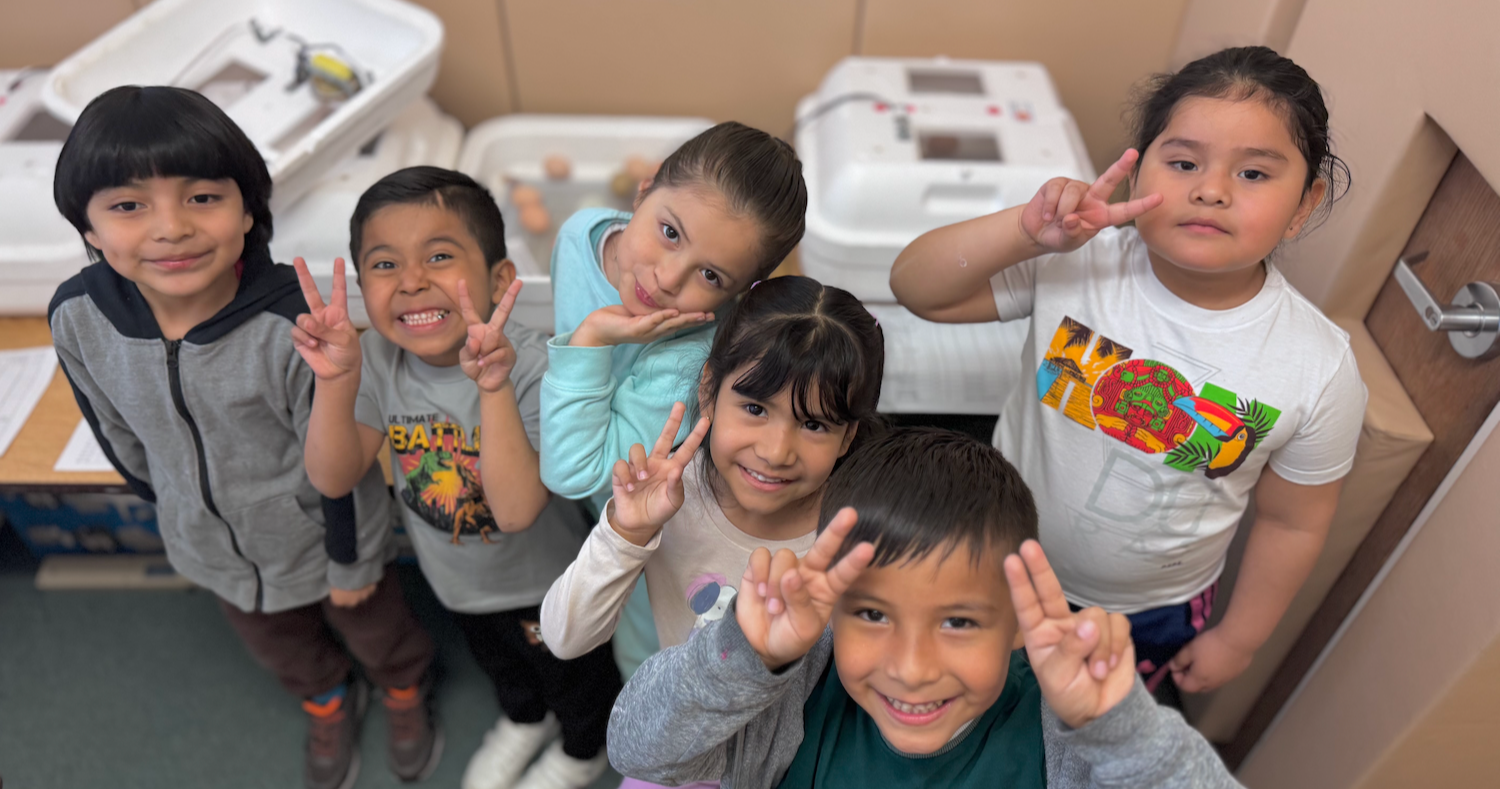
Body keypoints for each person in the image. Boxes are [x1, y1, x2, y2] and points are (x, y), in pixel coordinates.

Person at [889, 46, 1365, 694]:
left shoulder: (1319, 367)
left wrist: (1237, 639)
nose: (1210, 188)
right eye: (1183, 162)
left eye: (1254, 174)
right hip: (992, 556)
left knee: (1080, 731)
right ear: (1139, 172)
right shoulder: (1077, 262)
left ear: (1304, 204)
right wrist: (1026, 233)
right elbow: (919, 288)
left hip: (1147, 612)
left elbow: (1293, 522)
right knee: (964, 697)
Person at [47, 86, 432, 789]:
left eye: (202, 197)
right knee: (278, 644)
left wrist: (348, 562)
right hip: (213, 545)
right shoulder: (77, 316)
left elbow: (337, 464)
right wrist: (177, 508)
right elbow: (113, 429)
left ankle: (404, 689)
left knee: (380, 629)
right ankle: (326, 698)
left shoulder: (295, 323)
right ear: (88, 227)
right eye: (129, 205)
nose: (170, 228)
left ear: (249, 209)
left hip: (329, 535)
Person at [607, 428, 1244, 788]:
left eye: (960, 622)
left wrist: (1119, 730)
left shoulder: (1061, 737)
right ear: (831, 610)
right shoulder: (790, 688)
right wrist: (745, 657)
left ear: (1019, 624)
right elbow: (640, 752)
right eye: (873, 615)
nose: (911, 668)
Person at [292, 166, 621, 789]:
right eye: (385, 266)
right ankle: (525, 721)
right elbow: (334, 476)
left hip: (544, 585)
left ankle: (582, 749)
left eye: (439, 256)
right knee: (506, 670)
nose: (412, 281)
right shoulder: (380, 361)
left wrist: (490, 387)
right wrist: (336, 380)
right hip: (457, 581)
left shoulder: (532, 367)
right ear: (363, 287)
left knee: (573, 676)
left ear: (500, 281)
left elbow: (518, 510)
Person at [540, 120, 807, 675]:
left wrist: (588, 339)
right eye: (669, 232)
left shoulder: (689, 353)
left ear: (738, 292)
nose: (665, 279)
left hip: (653, 518)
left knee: (649, 637)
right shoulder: (584, 235)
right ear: (642, 192)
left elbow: (575, 471)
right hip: (602, 487)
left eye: (709, 274)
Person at [540, 276, 884, 667]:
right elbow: (563, 638)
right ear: (708, 390)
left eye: (814, 425)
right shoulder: (668, 496)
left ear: (846, 437)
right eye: (755, 409)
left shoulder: (863, 525)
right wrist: (626, 532)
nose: (775, 453)